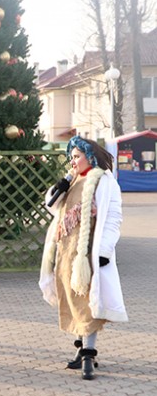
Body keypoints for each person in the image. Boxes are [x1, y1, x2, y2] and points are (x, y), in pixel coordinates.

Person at [39, 136, 128, 380]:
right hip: (66, 249)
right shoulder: (73, 179)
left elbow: (113, 218)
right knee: (70, 296)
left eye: (77, 156)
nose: (72, 160)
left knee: (88, 300)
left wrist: (103, 252)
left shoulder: (103, 181)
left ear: (90, 156)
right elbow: (52, 205)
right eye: (71, 156)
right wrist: (61, 185)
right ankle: (81, 350)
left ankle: (89, 352)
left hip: (88, 251)